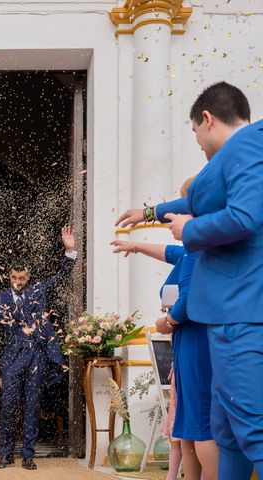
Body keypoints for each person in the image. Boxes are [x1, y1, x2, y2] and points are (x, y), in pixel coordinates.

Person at [115, 81, 262, 479]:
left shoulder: (248, 145)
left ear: (208, 119)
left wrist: (189, 230)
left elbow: (246, 217)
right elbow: (198, 196)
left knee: (251, 430)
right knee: (227, 431)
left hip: (241, 313)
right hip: (225, 316)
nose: (197, 142)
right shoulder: (232, 158)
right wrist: (149, 213)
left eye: (195, 132)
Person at [112, 177, 218, 480]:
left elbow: (189, 300)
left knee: (201, 425)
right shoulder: (190, 249)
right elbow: (169, 252)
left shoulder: (200, 250)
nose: (175, 215)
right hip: (187, 344)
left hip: (196, 342)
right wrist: (135, 244)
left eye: (182, 208)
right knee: (187, 427)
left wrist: (168, 321)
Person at [0, 226, 77, 470]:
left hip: (37, 356)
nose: (18, 282)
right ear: (9, 277)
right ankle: (7, 454)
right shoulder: (0, 300)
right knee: (9, 404)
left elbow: (60, 277)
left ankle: (29, 455)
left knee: (32, 404)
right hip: (11, 357)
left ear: (28, 277)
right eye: (14, 278)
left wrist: (70, 251)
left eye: (22, 278)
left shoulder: (38, 290)